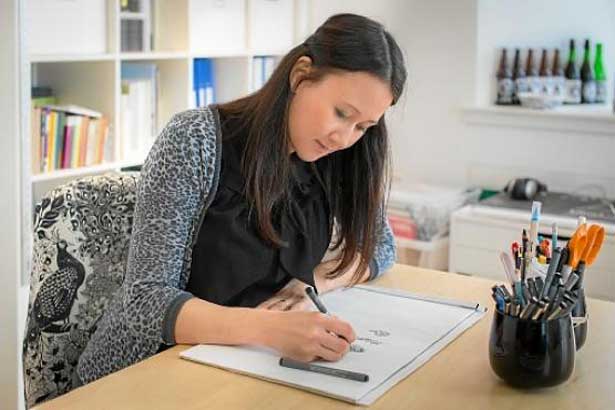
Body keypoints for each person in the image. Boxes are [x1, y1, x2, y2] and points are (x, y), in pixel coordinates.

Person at [77, 13, 407, 385]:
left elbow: (381, 247)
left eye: (363, 127)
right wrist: (270, 329)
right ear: (300, 75)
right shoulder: (194, 139)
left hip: (238, 366)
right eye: (341, 113)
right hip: (141, 371)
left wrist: (310, 283)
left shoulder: (337, 158)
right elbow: (144, 301)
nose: (344, 137)